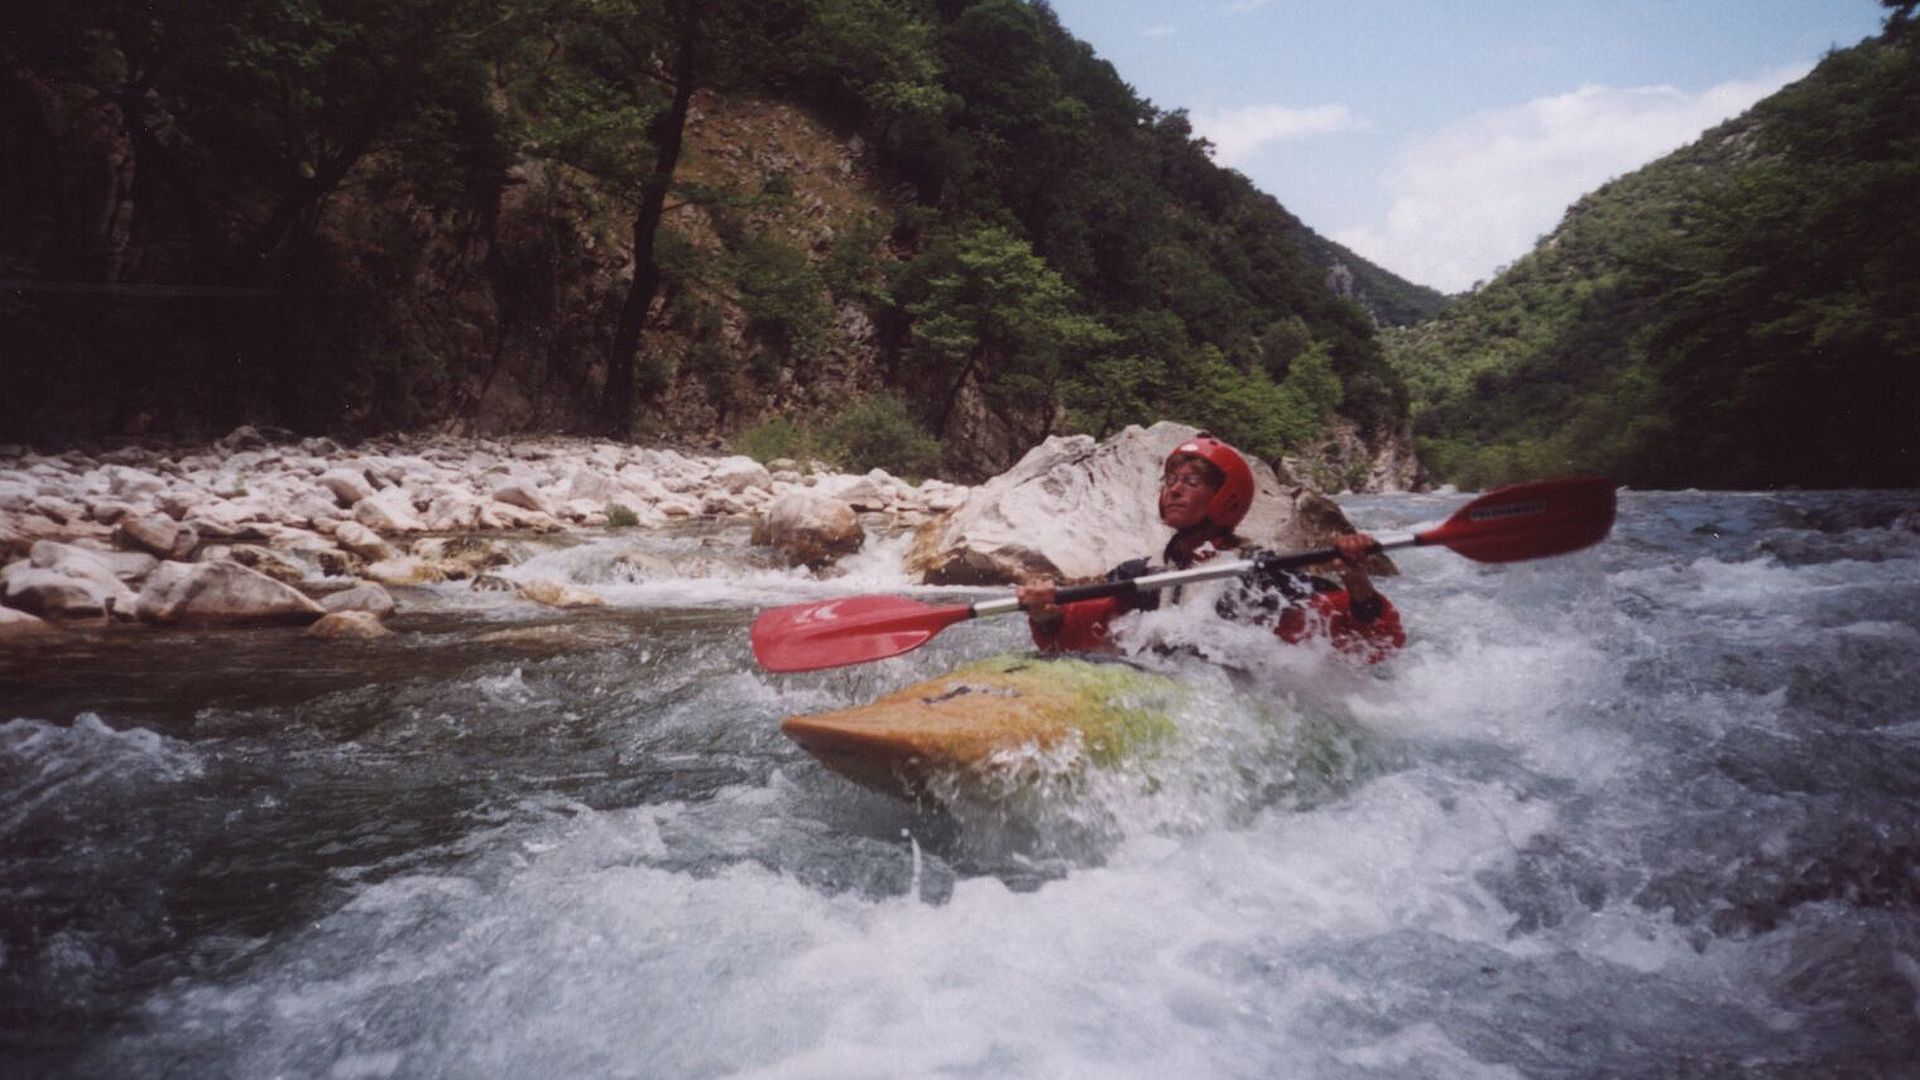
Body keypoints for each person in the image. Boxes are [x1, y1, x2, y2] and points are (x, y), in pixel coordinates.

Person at [1015, 434, 1405, 663]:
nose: (1175, 489)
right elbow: (1070, 636)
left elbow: (1371, 643)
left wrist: (1357, 583)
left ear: (1226, 498)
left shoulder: (1261, 576)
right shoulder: (1141, 573)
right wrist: (1047, 615)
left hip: (1225, 700)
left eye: (1191, 481)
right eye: (1170, 479)